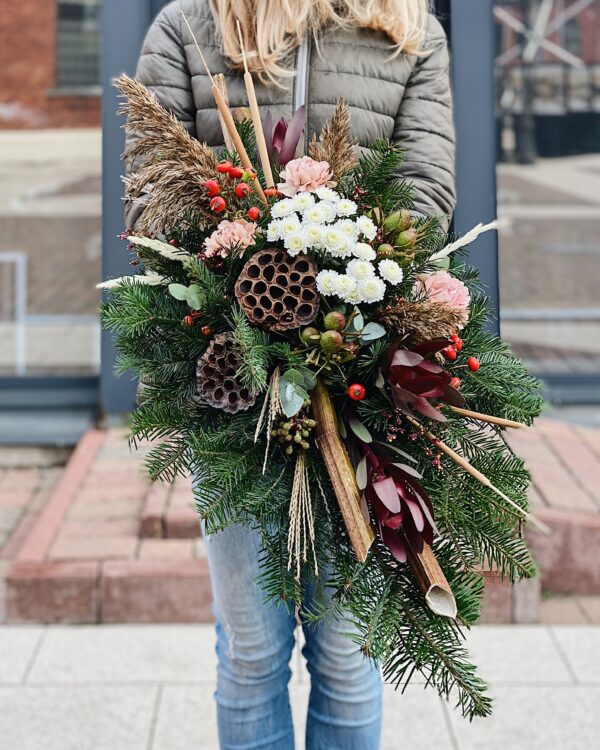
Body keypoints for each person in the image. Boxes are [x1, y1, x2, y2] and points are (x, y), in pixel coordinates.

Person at [126, 1, 455, 748]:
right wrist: (247, 273)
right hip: (230, 384)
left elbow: (427, 198)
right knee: (252, 653)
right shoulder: (189, 26)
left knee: (346, 653)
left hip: (363, 387)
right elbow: (149, 204)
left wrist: (341, 278)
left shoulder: (408, 29)